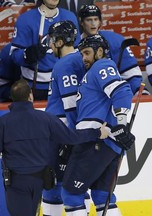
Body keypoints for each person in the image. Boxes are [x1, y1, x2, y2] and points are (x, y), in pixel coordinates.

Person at [0, 78, 109, 216]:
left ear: (12, 98)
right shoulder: (46, 119)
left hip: (16, 181)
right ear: (30, 96)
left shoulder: (1, 123)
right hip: (39, 180)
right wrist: (97, 132)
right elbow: (72, 137)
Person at [61, 34, 135, 216]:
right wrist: (119, 129)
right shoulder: (93, 72)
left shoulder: (102, 65)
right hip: (108, 145)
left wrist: (122, 125)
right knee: (102, 195)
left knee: (71, 193)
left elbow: (122, 90)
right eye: (81, 54)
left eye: (87, 53)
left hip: (94, 142)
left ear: (100, 51)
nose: (84, 58)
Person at [43, 20, 90, 216]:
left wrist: (72, 138)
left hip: (62, 132)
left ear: (61, 42)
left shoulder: (65, 64)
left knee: (53, 184)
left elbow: (71, 105)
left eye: (53, 40)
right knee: (77, 184)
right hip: (73, 131)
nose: (51, 45)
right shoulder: (82, 60)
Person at [10, 0, 81, 100]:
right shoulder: (25, 20)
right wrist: (27, 54)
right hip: (35, 87)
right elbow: (15, 55)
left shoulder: (70, 17)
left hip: (66, 82)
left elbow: (78, 51)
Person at [78, 4, 149, 95]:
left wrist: (138, 91)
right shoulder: (74, 44)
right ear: (81, 22)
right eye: (89, 20)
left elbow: (131, 74)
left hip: (113, 95)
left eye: (96, 19)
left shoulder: (115, 40)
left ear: (100, 21)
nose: (93, 24)